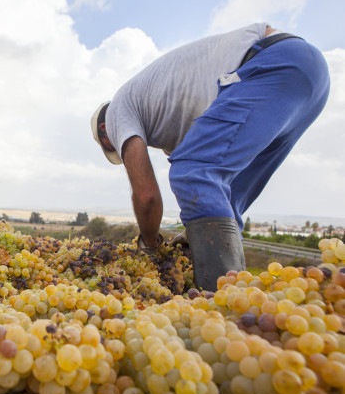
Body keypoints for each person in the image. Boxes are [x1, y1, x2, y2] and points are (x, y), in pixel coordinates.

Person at [91, 23, 330, 291]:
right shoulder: (165, 113)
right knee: (227, 196)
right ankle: (243, 300)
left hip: (271, 63)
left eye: (113, 147)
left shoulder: (117, 110)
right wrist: (195, 237)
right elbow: (209, 195)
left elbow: (147, 195)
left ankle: (222, 308)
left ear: (104, 131)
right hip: (311, 76)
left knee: (191, 172)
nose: (121, 151)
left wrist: (150, 246)